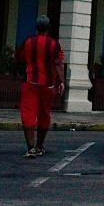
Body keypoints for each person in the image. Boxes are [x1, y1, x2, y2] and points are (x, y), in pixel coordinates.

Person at [15, 15, 64, 159]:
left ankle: (30, 147)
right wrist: (62, 81)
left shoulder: (28, 42)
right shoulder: (54, 44)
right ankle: (40, 146)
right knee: (44, 114)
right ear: (48, 28)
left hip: (30, 82)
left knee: (28, 114)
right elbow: (58, 63)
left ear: (37, 28)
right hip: (47, 84)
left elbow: (19, 58)